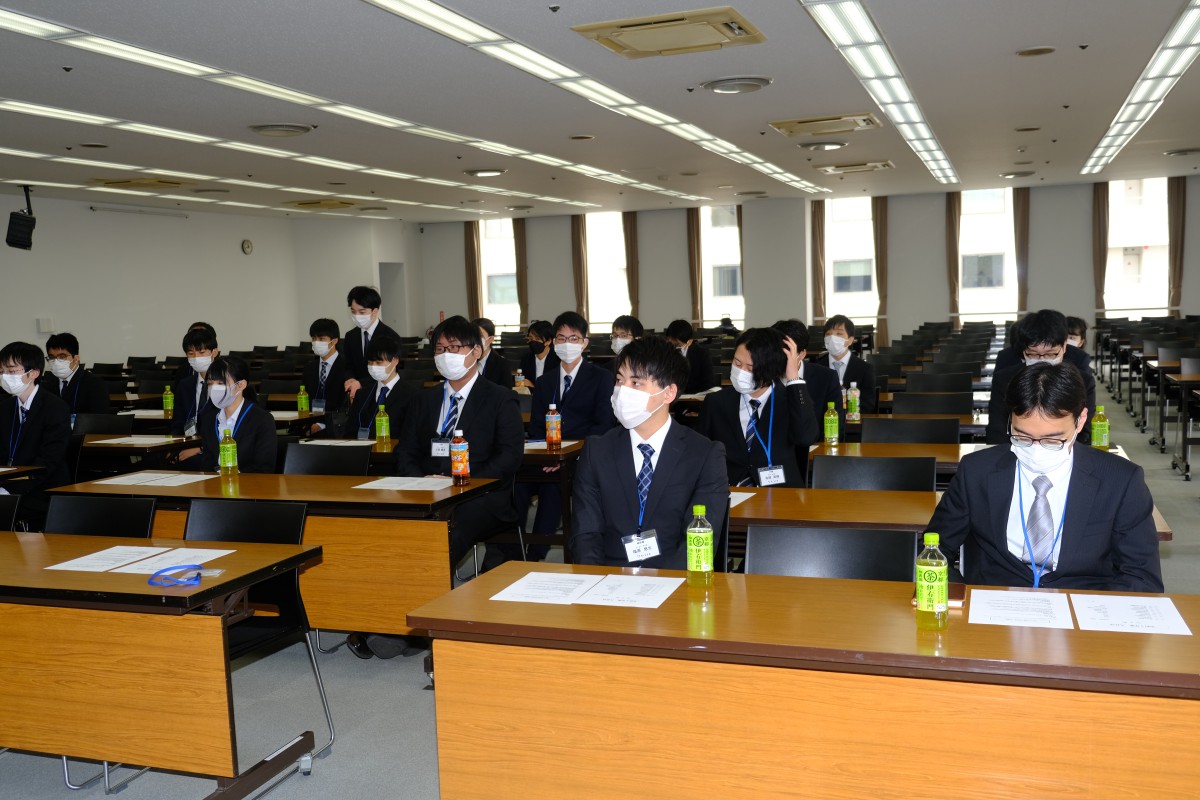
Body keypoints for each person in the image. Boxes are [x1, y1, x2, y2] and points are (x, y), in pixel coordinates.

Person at [351, 316, 524, 659]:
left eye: (455, 348)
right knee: (384, 529)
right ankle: (381, 616)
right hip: (426, 492)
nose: (446, 355)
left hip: (480, 495)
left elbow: (508, 459)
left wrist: (459, 482)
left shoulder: (500, 399)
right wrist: (420, 482)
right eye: (440, 349)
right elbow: (406, 452)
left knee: (440, 534)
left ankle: (412, 631)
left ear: (476, 352)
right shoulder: (424, 400)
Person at [926, 362, 1162, 591]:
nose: (1036, 449)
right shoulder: (977, 471)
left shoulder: (1121, 481)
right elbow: (933, 550)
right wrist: (961, 597)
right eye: (1022, 437)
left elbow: (1141, 576)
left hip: (1081, 603)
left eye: (1052, 440)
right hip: (995, 600)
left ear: (1080, 421)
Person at [571, 336, 728, 569]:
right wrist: (596, 580)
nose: (622, 391)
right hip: (610, 577)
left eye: (636, 383)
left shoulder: (704, 455)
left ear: (668, 393)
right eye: (619, 380)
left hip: (674, 578)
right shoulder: (597, 450)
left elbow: (698, 540)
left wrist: (669, 585)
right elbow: (586, 533)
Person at [517, 311, 616, 557]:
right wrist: (548, 454)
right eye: (561, 338)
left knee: (553, 487)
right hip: (547, 456)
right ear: (554, 342)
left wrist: (565, 454)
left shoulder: (602, 378)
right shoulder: (545, 381)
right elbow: (537, 426)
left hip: (581, 457)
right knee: (516, 483)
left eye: (573, 338)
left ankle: (535, 555)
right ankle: (510, 553)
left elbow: (603, 426)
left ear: (584, 343)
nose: (566, 344)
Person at [697, 327, 818, 487]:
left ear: (770, 370)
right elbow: (700, 452)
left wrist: (793, 378)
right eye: (737, 363)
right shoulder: (716, 402)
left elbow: (806, 437)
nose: (741, 372)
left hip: (780, 493)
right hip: (730, 491)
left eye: (750, 368)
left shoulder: (791, 401)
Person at [987, 310, 1096, 445]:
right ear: (1023, 351)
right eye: (1033, 354)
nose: (1041, 360)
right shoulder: (1004, 380)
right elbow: (997, 430)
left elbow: (1084, 432)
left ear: (1064, 347)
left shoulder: (1084, 382)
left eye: (1050, 354)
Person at [0, 341, 71, 529]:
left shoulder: (55, 408)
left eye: (11, 371)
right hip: (9, 483)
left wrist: (8, 489)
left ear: (33, 373)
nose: (5, 376)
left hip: (43, 488)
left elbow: (48, 461)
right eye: (2, 371)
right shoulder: (5, 408)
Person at [185, 356, 277, 474]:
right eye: (210, 383)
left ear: (241, 385)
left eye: (220, 383)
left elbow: (264, 467)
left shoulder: (262, 420)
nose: (214, 389)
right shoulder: (209, 418)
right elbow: (207, 464)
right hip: (215, 482)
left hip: (248, 482)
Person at [771, 319, 844, 441]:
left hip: (812, 446)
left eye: (786, 351)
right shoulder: (764, 375)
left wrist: (793, 379)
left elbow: (835, 427)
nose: (777, 357)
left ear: (802, 354)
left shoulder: (826, 378)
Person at [341, 333, 420, 440]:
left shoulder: (412, 395)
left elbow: (412, 436)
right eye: (370, 363)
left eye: (378, 363)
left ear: (395, 361)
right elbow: (350, 432)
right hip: (363, 449)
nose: (373, 367)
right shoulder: (362, 394)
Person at [171, 327, 220, 467]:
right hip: (188, 444)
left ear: (214, 352)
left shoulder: (225, 384)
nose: (196, 358)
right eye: (191, 353)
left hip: (214, 448)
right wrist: (174, 448)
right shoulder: (185, 385)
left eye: (201, 352)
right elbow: (177, 424)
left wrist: (201, 448)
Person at [342, 286, 401, 402]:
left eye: (362, 312)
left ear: (374, 311)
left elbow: (390, 370)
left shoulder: (390, 336)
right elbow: (348, 365)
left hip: (381, 391)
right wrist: (350, 379)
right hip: (357, 394)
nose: (357, 316)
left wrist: (361, 383)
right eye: (353, 311)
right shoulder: (350, 336)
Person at [44, 332, 111, 422]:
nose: (56, 362)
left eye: (62, 357)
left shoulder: (95, 384)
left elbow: (99, 420)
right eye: (52, 357)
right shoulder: (47, 385)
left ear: (76, 359)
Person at [302, 318, 351, 438]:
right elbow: (306, 400)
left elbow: (343, 405)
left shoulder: (347, 367)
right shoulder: (309, 368)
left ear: (334, 341)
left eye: (321, 339)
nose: (316, 342)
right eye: (314, 338)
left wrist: (322, 424)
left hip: (337, 427)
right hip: (310, 425)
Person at [823, 315, 877, 413]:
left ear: (850, 340)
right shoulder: (817, 367)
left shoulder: (865, 369)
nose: (832, 338)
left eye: (839, 333)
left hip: (852, 419)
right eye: (828, 334)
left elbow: (867, 404)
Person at [665, 320, 718, 395]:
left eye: (677, 345)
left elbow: (709, 382)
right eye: (671, 344)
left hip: (695, 397)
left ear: (689, 342)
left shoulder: (702, 354)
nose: (674, 348)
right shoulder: (664, 353)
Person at [473, 317, 515, 388]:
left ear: (491, 339)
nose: (475, 339)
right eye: (473, 335)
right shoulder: (466, 360)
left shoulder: (502, 365)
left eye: (480, 336)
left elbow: (506, 392)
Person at [517, 319, 558, 389]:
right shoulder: (526, 359)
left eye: (537, 338)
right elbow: (522, 383)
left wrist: (533, 387)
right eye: (530, 338)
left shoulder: (558, 360)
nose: (533, 342)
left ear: (548, 341)